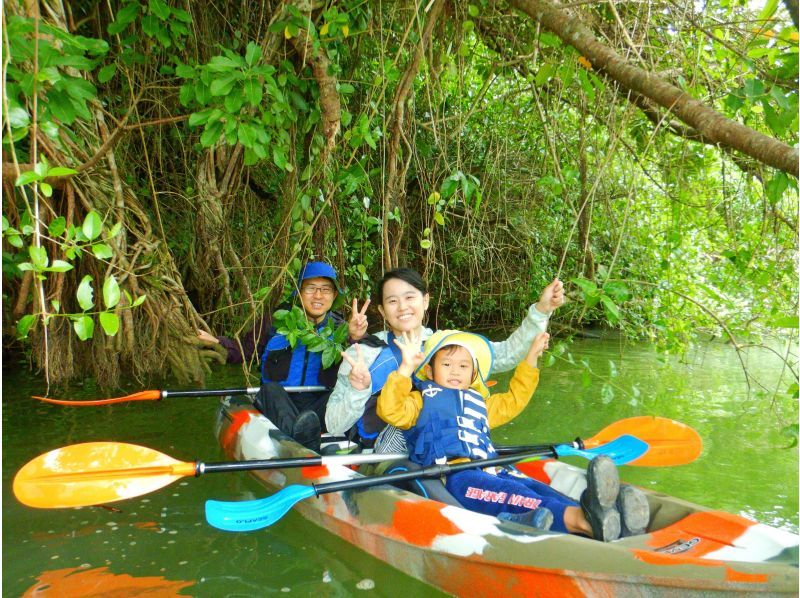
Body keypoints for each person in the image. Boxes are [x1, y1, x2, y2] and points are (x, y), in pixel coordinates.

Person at [375, 328, 650, 541]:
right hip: (457, 476)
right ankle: (585, 522)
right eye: (447, 365)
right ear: (431, 370)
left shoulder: (480, 403)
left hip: (495, 468)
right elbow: (389, 410)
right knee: (515, 493)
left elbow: (515, 399)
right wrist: (405, 369)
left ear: (473, 375)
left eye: (463, 366)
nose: (455, 371)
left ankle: (606, 514)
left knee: (538, 489)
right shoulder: (419, 400)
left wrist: (530, 359)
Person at [327, 267, 564, 450]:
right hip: (385, 455)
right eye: (392, 301)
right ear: (381, 311)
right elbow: (334, 425)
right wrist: (359, 389)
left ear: (426, 301)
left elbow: (508, 354)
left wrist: (541, 311)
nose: (402, 307)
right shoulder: (364, 353)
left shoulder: (448, 345)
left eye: (410, 297)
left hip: (448, 445)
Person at [199, 261, 369, 451]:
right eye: (311, 288)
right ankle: (302, 442)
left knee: (337, 395)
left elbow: (366, 362)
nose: (318, 295)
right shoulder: (275, 321)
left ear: (334, 295)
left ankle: (306, 436)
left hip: (319, 405)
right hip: (281, 403)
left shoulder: (342, 330)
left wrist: (356, 337)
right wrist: (217, 343)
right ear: (298, 291)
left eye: (326, 289)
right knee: (269, 390)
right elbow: (245, 350)